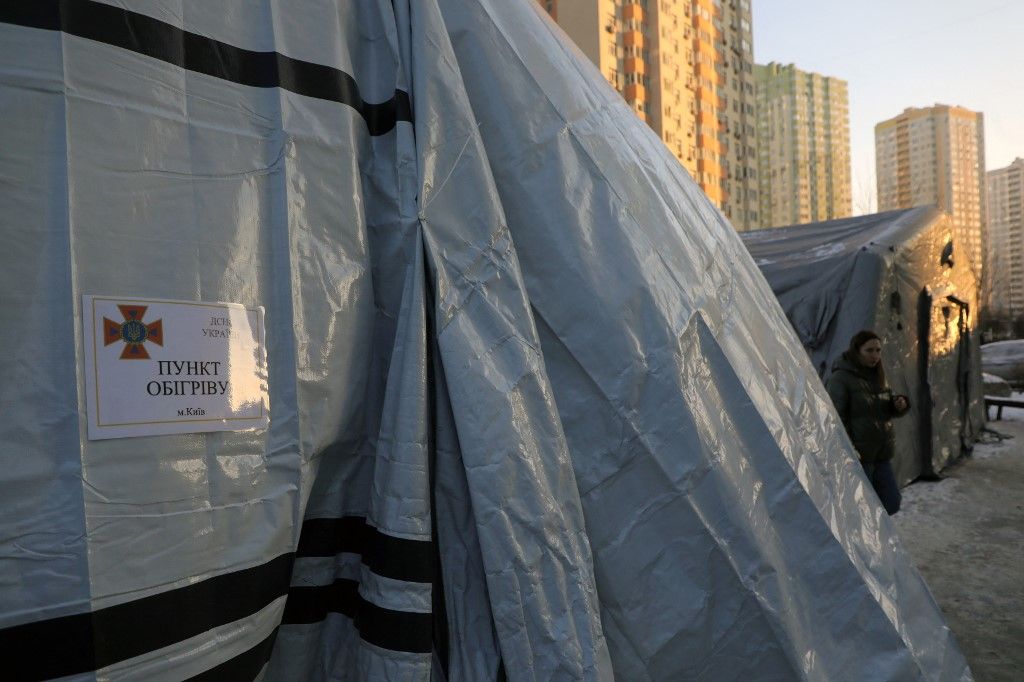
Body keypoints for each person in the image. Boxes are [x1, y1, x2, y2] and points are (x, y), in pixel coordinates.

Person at [825, 330, 910, 515]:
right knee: (860, 510)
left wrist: (898, 405)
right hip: (859, 457)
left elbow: (880, 409)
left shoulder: (878, 376)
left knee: (891, 503)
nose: (875, 356)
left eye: (878, 350)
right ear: (857, 351)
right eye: (869, 350)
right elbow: (835, 418)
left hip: (880, 454)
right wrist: (848, 450)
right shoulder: (841, 378)